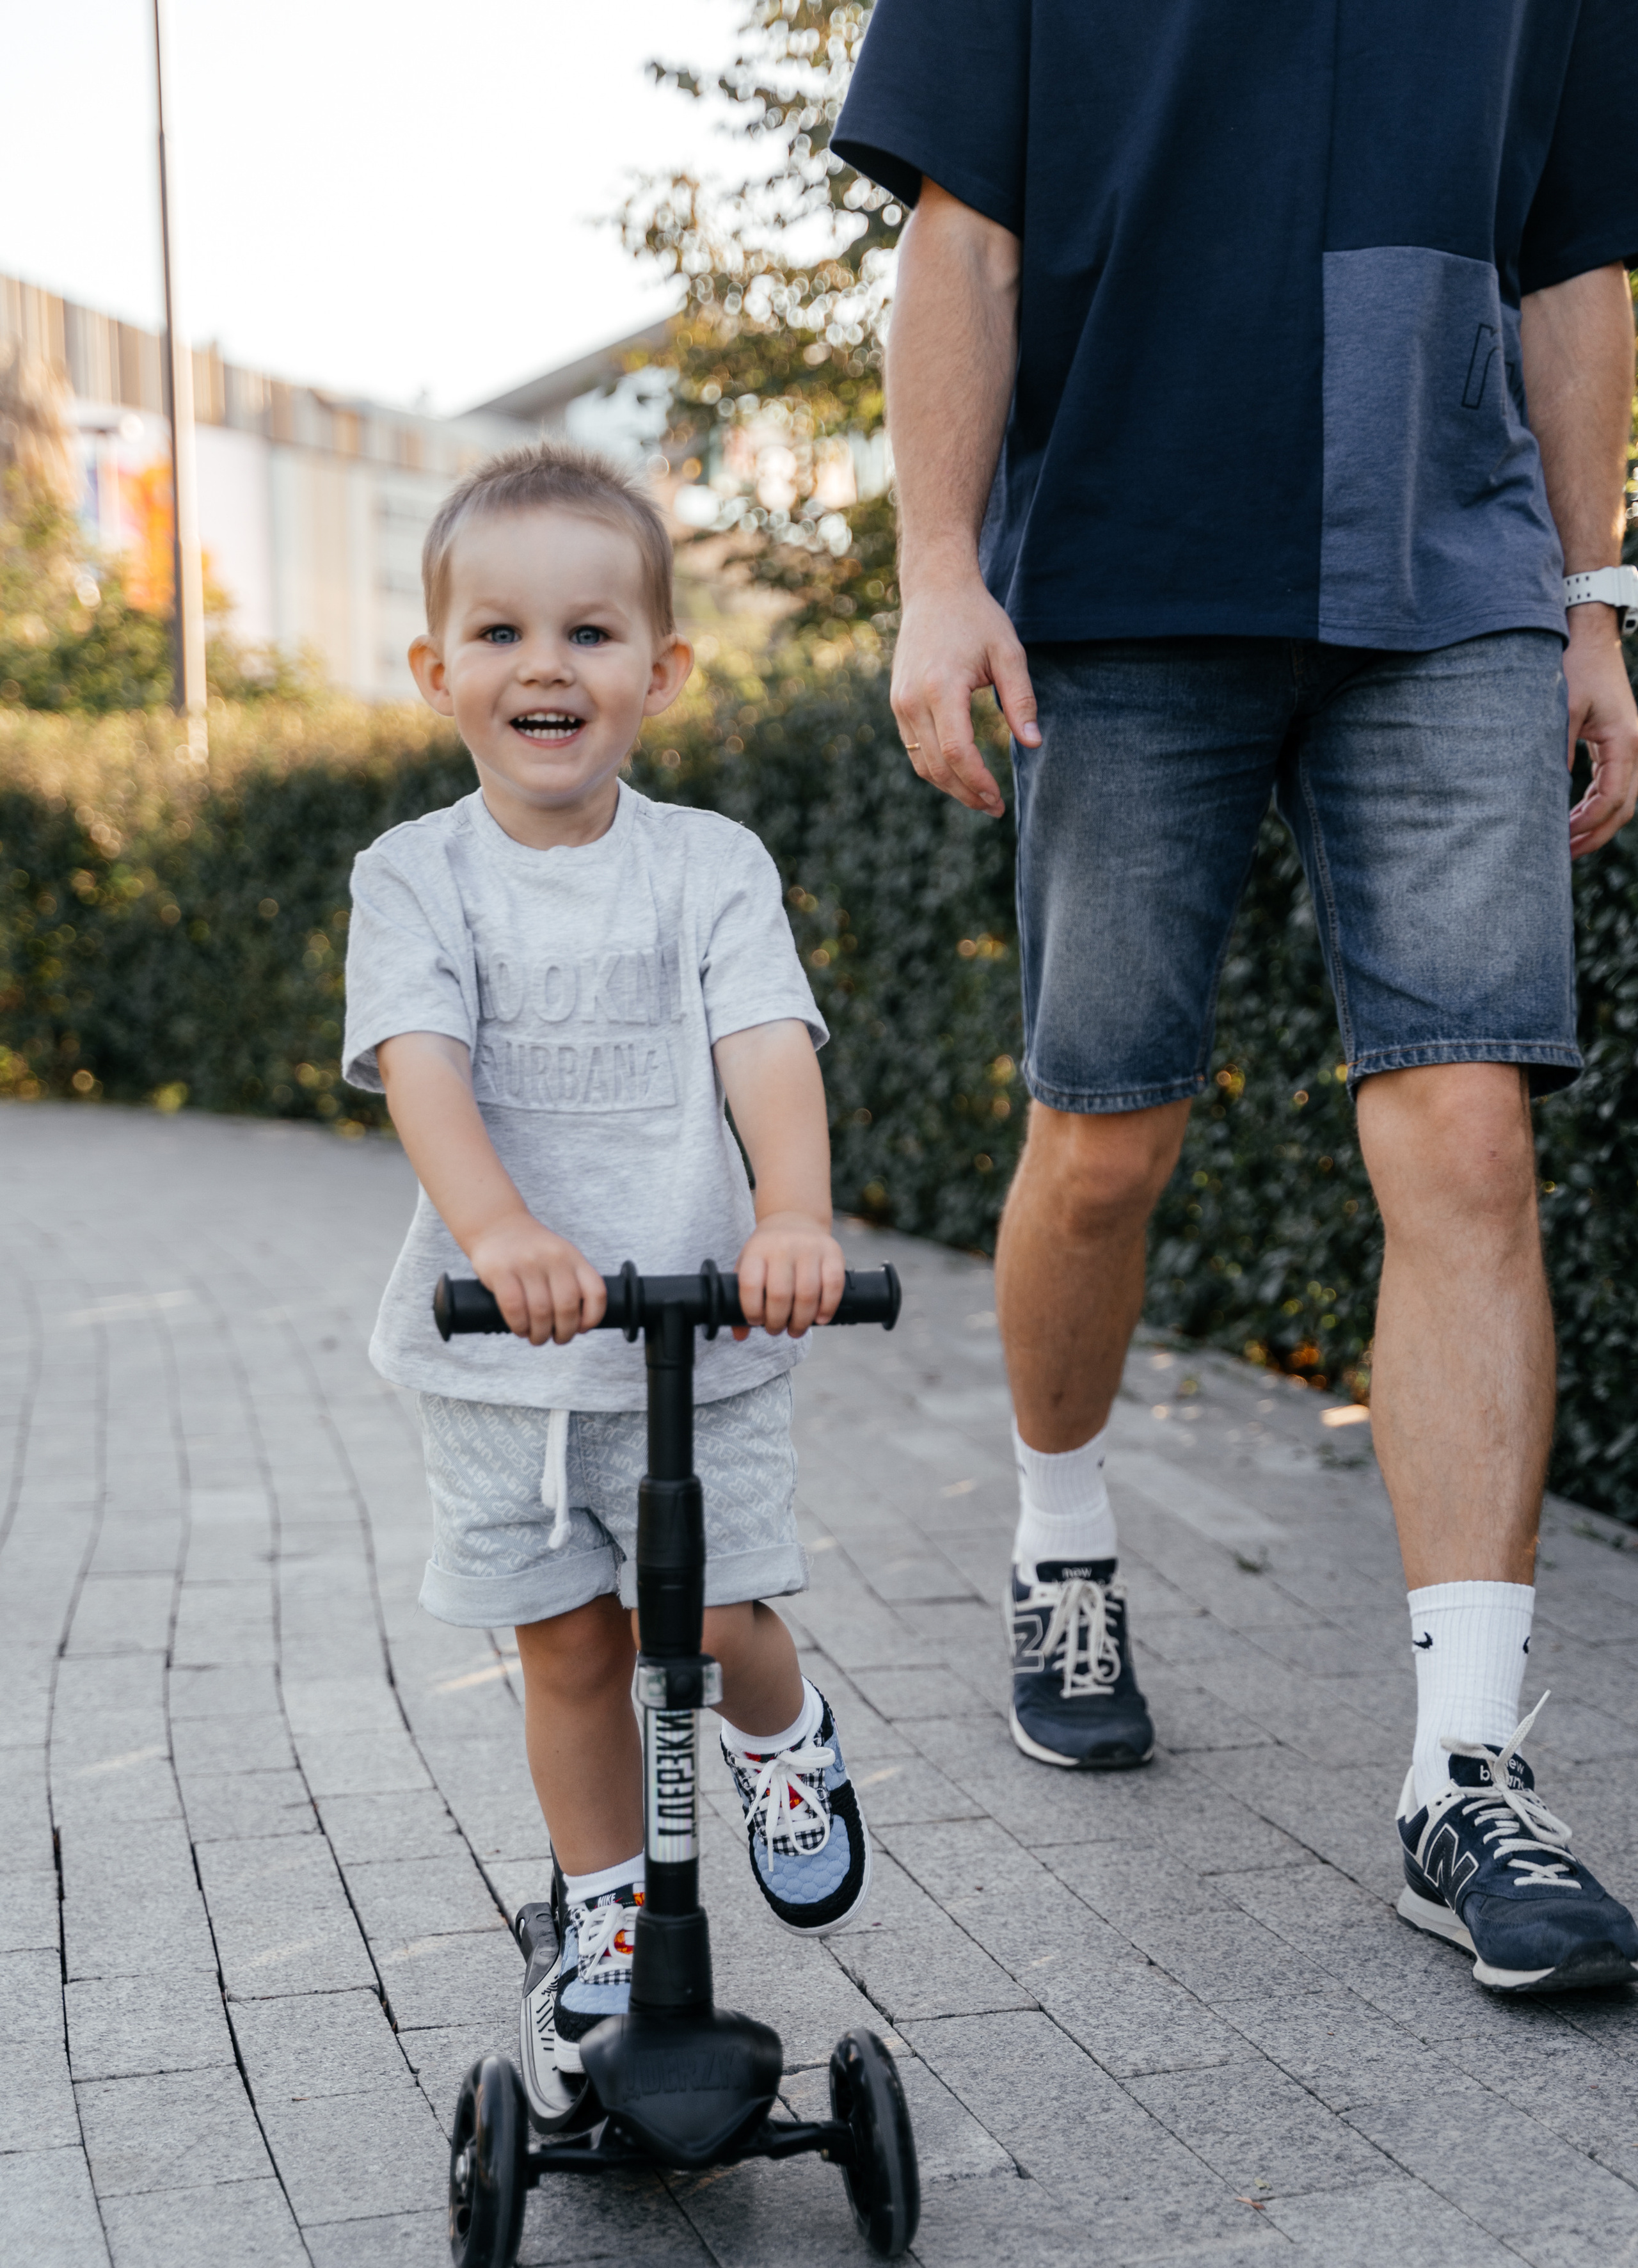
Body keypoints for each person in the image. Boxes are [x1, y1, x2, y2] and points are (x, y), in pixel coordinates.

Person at [835, 1, 1638, 1992]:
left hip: (1447, 583)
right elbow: (965, 232)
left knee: (1468, 1130)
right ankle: (1061, 1542)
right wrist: (942, 569)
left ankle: (1469, 1775)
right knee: (1105, 1143)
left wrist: (1598, 595)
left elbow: (1570, 254)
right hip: (1123, 574)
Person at [341, 443, 872, 2123]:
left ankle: (779, 1736)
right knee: (569, 1651)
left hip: (699, 1333)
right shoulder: (413, 877)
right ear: (439, 674)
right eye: (498, 635)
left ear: (661, 669)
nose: (544, 667)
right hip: (498, 1358)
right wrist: (501, 1237)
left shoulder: (709, 864)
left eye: (587, 633)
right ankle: (604, 1913)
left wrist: (792, 1212)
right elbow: (420, 1062)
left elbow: (766, 1044)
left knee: (705, 1613)